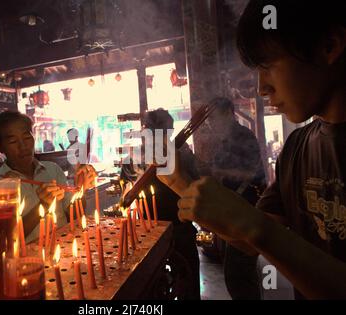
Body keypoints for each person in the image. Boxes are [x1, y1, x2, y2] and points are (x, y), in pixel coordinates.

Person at [157, 0, 346, 299]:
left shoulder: (246, 137)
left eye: (268, 66)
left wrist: (254, 225)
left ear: (329, 46)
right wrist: (181, 183)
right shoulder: (297, 146)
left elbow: (257, 229)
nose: (261, 88)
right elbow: (248, 240)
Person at [121, 108, 202, 299]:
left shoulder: (182, 154)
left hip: (176, 228)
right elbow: (125, 193)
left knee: (182, 283)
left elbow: (196, 187)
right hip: (149, 233)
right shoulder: (135, 158)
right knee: (155, 287)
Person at [0, 111, 96, 243]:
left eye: (27, 138)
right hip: (27, 260)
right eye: (13, 141)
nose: (23, 146)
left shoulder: (52, 169)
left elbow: (75, 216)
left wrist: (81, 189)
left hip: (64, 249)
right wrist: (43, 205)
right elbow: (3, 238)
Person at [201, 97, 267, 299]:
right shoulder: (226, 139)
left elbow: (250, 174)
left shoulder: (243, 136)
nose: (211, 122)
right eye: (209, 119)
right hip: (233, 209)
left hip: (244, 209)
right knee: (238, 271)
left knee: (238, 273)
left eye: (214, 117)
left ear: (229, 112)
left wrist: (218, 171)